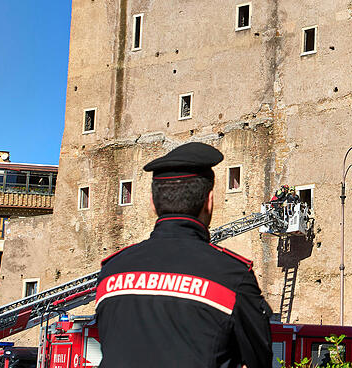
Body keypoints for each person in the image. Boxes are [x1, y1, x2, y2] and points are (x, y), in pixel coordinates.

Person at [96, 142, 272, 368]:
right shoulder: (232, 277)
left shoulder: (111, 272)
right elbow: (260, 360)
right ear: (209, 201)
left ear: (152, 204)